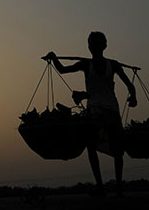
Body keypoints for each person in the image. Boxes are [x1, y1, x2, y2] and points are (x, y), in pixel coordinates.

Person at [45, 31, 137, 197]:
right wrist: (54, 58)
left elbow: (130, 84)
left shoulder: (113, 65)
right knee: (92, 145)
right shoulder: (85, 64)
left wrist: (133, 96)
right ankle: (101, 186)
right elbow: (63, 70)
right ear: (89, 47)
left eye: (97, 43)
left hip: (111, 109)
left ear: (104, 45)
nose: (94, 46)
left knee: (118, 149)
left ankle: (118, 188)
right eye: (92, 43)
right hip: (95, 109)